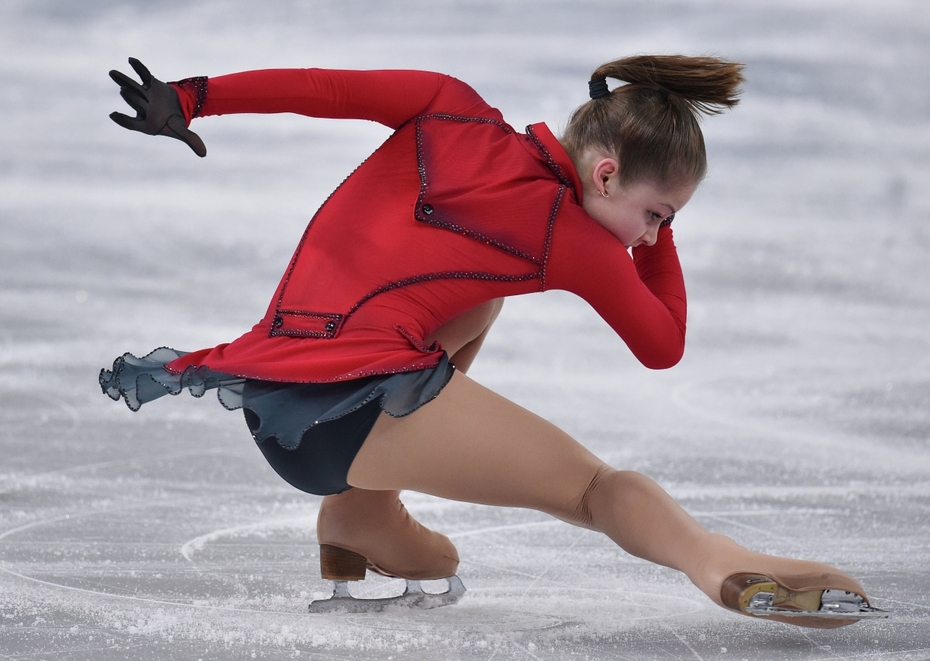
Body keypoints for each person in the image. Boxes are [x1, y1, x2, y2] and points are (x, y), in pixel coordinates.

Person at [102, 55, 882, 626]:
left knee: (480, 302)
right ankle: (713, 561)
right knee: (592, 489)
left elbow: (328, 90)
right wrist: (659, 245)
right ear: (605, 175)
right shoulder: (574, 238)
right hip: (352, 405)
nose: (652, 232)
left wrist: (192, 97)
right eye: (657, 212)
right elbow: (663, 342)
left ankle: (355, 519)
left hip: (277, 397)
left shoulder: (449, 106)